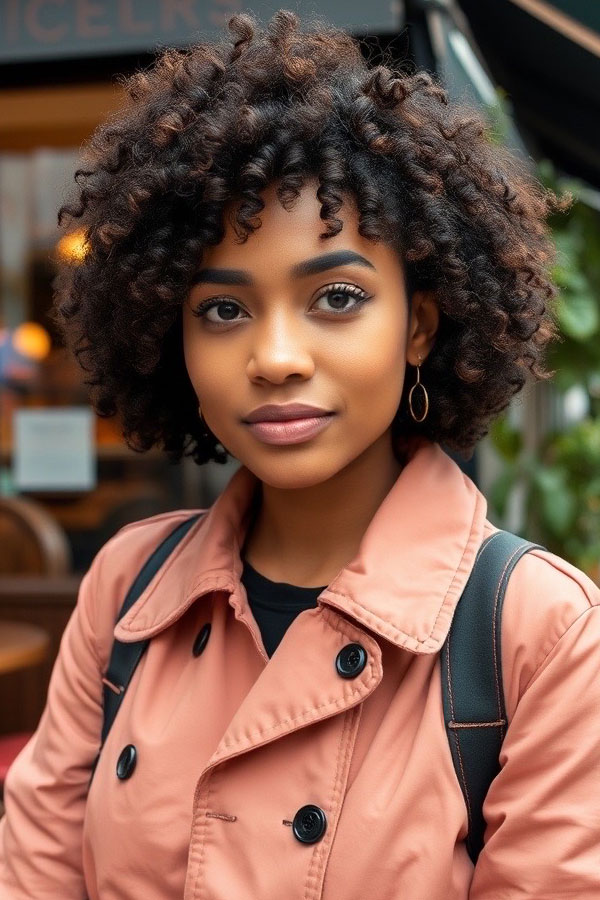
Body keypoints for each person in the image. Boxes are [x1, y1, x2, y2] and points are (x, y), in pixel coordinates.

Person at [1, 10, 599, 900]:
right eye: (224, 310)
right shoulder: (127, 589)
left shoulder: (539, 634)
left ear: (420, 325)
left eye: (337, 297)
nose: (275, 356)